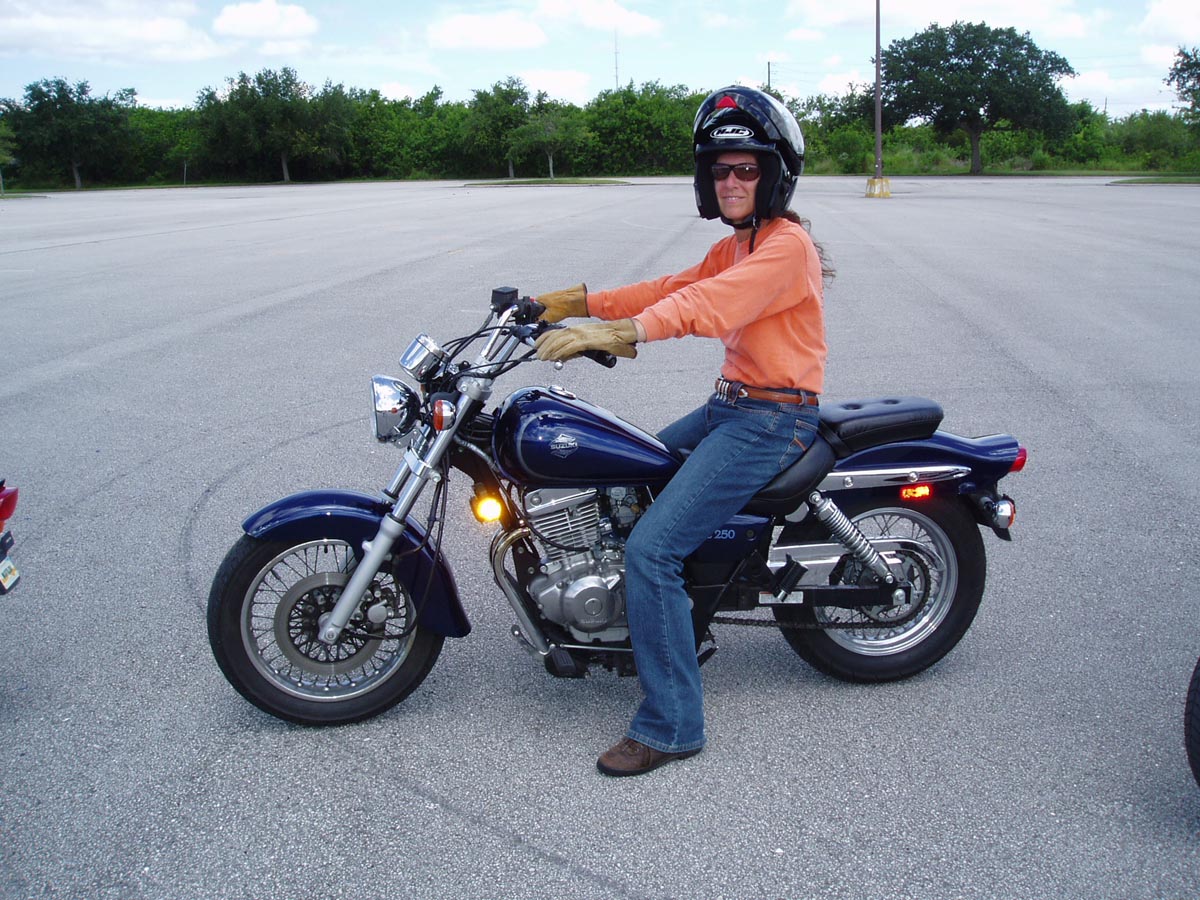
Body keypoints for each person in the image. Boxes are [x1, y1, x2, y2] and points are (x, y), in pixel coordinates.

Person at [534, 86, 830, 777]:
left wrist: (622, 332)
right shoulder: (736, 245)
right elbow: (672, 286)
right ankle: (652, 622)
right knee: (623, 483)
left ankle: (672, 725)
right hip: (730, 407)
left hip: (772, 420)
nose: (731, 181)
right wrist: (577, 303)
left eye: (746, 168)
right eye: (720, 169)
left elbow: (707, 304)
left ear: (774, 173)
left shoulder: (786, 248)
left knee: (652, 548)